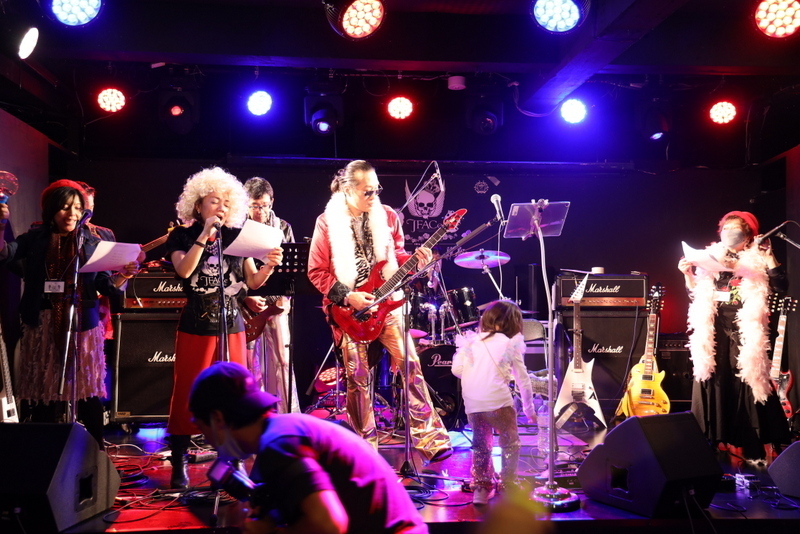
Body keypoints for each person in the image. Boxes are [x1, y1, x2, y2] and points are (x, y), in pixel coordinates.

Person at [308, 160, 451, 462]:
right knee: (358, 378)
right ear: (348, 190)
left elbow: (395, 257)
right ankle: (364, 450)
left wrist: (416, 260)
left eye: (377, 189)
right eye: (367, 191)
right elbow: (316, 271)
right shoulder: (327, 221)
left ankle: (431, 438)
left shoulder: (388, 216)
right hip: (349, 311)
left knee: (411, 366)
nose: (374, 196)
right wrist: (348, 296)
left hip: (388, 303)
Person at [188, 361, 429, 534]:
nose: (207, 439)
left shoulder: (279, 444)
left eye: (201, 426)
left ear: (218, 419)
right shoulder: (284, 430)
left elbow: (328, 525)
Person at [164, 167, 283, 489]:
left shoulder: (236, 236)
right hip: (196, 324)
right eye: (214, 201)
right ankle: (179, 459)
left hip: (232, 325)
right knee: (187, 392)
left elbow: (252, 281)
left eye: (226, 202)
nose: (221, 207)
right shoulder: (181, 235)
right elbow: (185, 271)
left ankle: (232, 459)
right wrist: (204, 235)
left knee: (236, 394)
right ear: (198, 205)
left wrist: (269, 266)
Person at [0, 180, 139, 449]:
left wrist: (124, 274)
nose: (72, 214)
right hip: (42, 322)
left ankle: (97, 451)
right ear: (51, 210)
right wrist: (1, 224)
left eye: (77, 208)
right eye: (65, 207)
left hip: (82, 325)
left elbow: (106, 285)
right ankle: (43, 454)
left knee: (87, 394)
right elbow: (5, 254)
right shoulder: (34, 239)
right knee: (43, 391)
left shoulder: (91, 242)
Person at [678, 210, 790, 463]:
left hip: (746, 331)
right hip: (715, 330)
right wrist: (688, 275)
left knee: (749, 381)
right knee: (716, 380)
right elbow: (698, 296)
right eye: (725, 229)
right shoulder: (712, 257)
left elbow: (781, 286)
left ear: (748, 234)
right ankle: (714, 440)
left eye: (735, 229)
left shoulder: (758, 256)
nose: (728, 233)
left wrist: (769, 257)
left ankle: (753, 442)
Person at [451, 300, 536, 505]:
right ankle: (508, 484)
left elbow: (457, 370)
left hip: (473, 405)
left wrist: (477, 374)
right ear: (513, 322)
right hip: (499, 403)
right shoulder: (510, 344)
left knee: (481, 446)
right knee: (510, 443)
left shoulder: (470, 342)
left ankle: (481, 488)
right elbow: (523, 379)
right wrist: (529, 409)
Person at [242, 177, 299, 413]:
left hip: (277, 302)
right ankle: (254, 417)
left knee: (284, 361)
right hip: (248, 304)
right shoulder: (238, 227)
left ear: (272, 202)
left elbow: (293, 269)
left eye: (264, 205)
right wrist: (245, 297)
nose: (260, 211)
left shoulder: (283, 227)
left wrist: (286, 297)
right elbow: (233, 270)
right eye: (254, 206)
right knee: (250, 367)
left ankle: (290, 416)